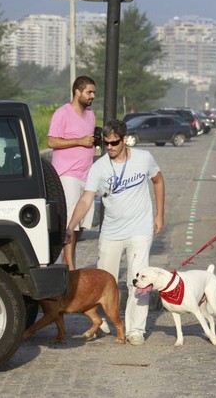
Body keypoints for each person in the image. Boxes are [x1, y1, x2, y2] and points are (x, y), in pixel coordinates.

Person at [65, 119, 165, 346]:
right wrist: (71, 226)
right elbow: (86, 199)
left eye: (114, 143)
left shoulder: (144, 158)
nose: (109, 147)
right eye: (106, 143)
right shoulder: (99, 168)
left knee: (138, 280)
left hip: (140, 229)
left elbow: (158, 182)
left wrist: (159, 215)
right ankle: (105, 321)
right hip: (111, 232)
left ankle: (136, 329)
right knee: (101, 281)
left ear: (124, 139)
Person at [48, 75, 97, 271]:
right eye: (89, 92)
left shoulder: (91, 115)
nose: (92, 96)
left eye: (93, 92)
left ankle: (69, 262)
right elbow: (51, 142)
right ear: (77, 92)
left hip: (87, 176)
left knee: (80, 225)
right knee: (69, 224)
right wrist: (79, 141)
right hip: (67, 175)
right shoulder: (63, 113)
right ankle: (69, 268)